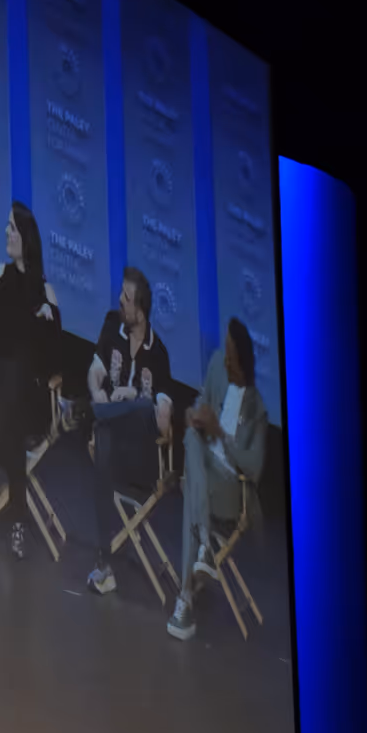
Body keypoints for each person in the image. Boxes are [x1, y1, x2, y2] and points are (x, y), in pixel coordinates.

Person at [166, 319, 269, 642]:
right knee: (191, 441)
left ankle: (185, 600)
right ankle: (204, 548)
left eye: (231, 357)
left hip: (230, 488)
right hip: (203, 470)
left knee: (192, 493)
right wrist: (193, 415)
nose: (225, 361)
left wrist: (220, 433)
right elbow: (201, 404)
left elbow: (253, 468)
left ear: (244, 363)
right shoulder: (215, 366)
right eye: (224, 353)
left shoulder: (257, 408)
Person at [0, 205, 61, 559]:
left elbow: (53, 360)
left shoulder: (45, 290)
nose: (6, 233)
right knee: (11, 373)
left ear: (26, 238)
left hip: (32, 400)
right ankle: (19, 521)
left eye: (12, 228)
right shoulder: (1, 277)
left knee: (20, 370)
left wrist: (48, 317)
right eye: (7, 226)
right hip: (4, 391)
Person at [85, 270, 172, 594]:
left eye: (126, 298)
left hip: (140, 458)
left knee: (141, 406)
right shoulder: (112, 325)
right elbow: (95, 373)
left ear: (141, 310)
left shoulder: (158, 353)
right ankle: (105, 566)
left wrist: (134, 398)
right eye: (121, 295)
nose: (120, 301)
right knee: (104, 436)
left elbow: (162, 424)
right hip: (111, 448)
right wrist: (102, 397)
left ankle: (85, 412)